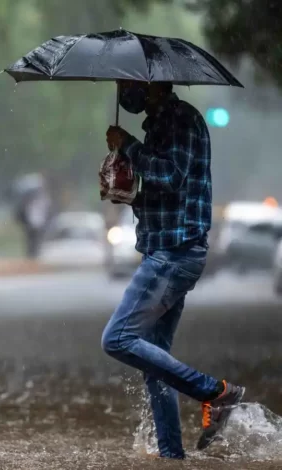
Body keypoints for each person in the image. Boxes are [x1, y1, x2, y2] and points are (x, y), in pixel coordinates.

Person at [101, 80, 244, 459]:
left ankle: (214, 392)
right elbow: (167, 193)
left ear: (151, 86)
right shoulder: (164, 122)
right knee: (154, 360)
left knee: (116, 339)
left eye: (127, 84)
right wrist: (126, 189)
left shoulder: (179, 120)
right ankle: (171, 456)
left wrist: (129, 145)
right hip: (167, 250)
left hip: (174, 253)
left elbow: (170, 175)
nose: (123, 92)